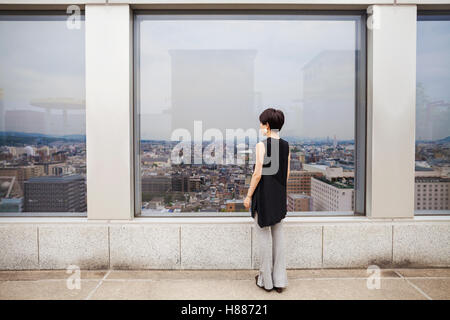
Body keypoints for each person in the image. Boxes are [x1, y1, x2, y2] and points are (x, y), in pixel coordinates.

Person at [244, 108, 290, 293]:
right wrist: (280, 192)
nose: (260, 126)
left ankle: (266, 281)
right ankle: (280, 280)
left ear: (268, 125)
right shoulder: (287, 146)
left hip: (263, 197)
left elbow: (257, 174)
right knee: (279, 237)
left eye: (262, 123)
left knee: (264, 237)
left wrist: (248, 196)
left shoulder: (261, 145)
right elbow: (286, 174)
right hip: (279, 196)